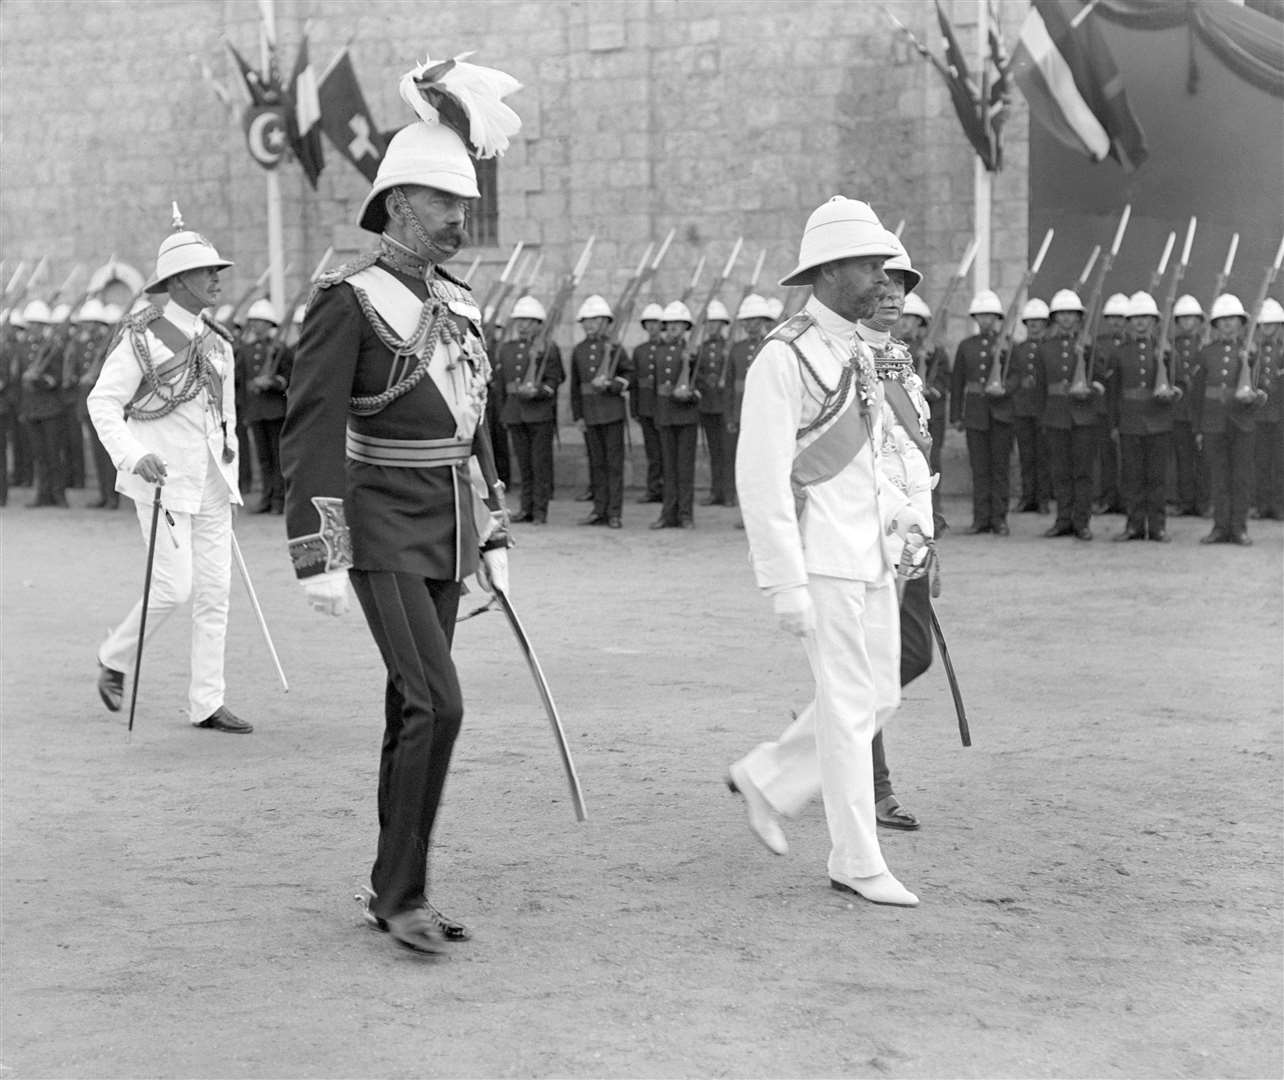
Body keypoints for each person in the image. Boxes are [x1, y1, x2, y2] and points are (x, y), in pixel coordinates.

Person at [280, 60, 517, 955]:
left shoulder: (458, 302)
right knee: (438, 705)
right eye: (444, 201)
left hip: (449, 524)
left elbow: (475, 420)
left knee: (408, 708)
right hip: (378, 523)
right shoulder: (349, 301)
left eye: (467, 201)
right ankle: (403, 894)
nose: (462, 218)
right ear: (397, 203)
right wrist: (321, 550)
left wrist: (493, 530)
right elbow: (309, 435)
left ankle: (393, 887)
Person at [726, 196, 921, 908]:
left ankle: (769, 780)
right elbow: (762, 475)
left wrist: (901, 524)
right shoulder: (786, 355)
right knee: (846, 708)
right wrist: (784, 583)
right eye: (871, 263)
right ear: (832, 269)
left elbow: (871, 458)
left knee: (880, 697)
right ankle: (857, 860)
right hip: (820, 556)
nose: (883, 276)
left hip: (869, 551)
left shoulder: (855, 347)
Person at [87, 214, 250, 734]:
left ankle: (207, 701)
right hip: (161, 480)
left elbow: (224, 416)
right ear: (178, 281)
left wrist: (230, 471)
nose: (217, 278)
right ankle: (114, 657)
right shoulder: (144, 336)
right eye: (205, 271)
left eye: (217, 269)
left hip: (212, 480)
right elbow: (104, 402)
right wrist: (133, 455)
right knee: (173, 588)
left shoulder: (219, 341)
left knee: (214, 593)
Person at [1103, 291, 1176, 542]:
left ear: (1155, 322)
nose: (1141, 323)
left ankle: (1157, 527)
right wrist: (1114, 424)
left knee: (1156, 477)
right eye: (1135, 318)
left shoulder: (1165, 351)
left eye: (1146, 318)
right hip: (1130, 421)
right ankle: (1134, 525)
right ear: (1129, 322)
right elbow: (1112, 394)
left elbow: (1177, 386)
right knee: (1132, 477)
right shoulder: (1119, 353)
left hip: (1158, 420)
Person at [1190, 294, 1263, 545]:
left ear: (1241, 324)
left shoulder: (1251, 353)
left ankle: (1239, 528)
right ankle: (1220, 527)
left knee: (1241, 478)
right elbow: (1197, 394)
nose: (1228, 324)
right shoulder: (1206, 353)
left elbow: (1261, 390)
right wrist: (1198, 427)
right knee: (1219, 477)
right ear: (1215, 325)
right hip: (1214, 424)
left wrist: (1252, 396)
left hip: (1241, 423)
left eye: (1232, 319)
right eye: (1222, 320)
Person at [1036, 288, 1102, 540]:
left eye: (1070, 314)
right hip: (1056, 416)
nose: (1065, 318)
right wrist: (1043, 418)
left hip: (1083, 416)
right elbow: (1041, 387)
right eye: (1061, 314)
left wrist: (1090, 390)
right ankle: (1063, 520)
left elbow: (1099, 378)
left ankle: (1082, 522)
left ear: (1078, 317)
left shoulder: (1088, 345)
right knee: (1060, 472)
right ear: (1054, 318)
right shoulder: (1045, 348)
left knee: (1083, 472)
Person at [493, 294, 562, 523]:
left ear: (539, 325)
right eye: (520, 320)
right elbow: (501, 386)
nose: (523, 325)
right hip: (515, 413)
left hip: (539, 413)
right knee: (524, 465)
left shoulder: (548, 349)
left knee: (539, 464)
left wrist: (540, 391)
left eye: (529, 321)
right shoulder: (507, 349)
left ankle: (540, 510)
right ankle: (526, 508)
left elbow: (555, 380)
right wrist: (504, 412)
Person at [951, 290, 1014, 535]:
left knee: (1000, 469)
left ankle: (999, 518)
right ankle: (981, 518)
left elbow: (1017, 376)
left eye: (990, 316)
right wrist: (956, 415)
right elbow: (958, 383)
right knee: (979, 469)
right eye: (981, 316)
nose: (986, 320)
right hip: (976, 413)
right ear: (975, 319)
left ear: (997, 318)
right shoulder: (967, 346)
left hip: (1001, 413)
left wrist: (1005, 389)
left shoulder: (1008, 344)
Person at [568, 294, 631, 527]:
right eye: (587, 320)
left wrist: (612, 385)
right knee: (597, 464)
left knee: (614, 465)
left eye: (596, 320)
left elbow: (628, 374)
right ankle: (599, 510)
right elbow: (575, 386)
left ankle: (614, 512)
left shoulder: (615, 348)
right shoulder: (579, 350)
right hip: (590, 414)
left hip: (612, 412)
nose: (591, 324)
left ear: (606, 322)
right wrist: (578, 416)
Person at [898, 290, 951, 532]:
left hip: (930, 418)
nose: (905, 322)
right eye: (903, 316)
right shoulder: (894, 349)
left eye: (910, 317)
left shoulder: (936, 351)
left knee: (931, 467)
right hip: (902, 416)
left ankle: (932, 515)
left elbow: (943, 382)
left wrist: (929, 385)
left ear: (920, 321)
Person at [236, 298, 291, 514]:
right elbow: (240, 382)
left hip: (275, 410)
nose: (256, 325)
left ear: (270, 325)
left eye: (261, 321)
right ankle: (266, 498)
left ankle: (279, 499)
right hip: (256, 411)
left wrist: (273, 382)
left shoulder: (280, 350)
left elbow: (289, 377)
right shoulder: (246, 351)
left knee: (278, 457)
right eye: (254, 321)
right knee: (263, 458)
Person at [651, 301, 700, 529]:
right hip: (665, 415)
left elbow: (699, 384)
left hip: (686, 415)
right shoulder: (658, 350)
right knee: (668, 467)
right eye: (669, 324)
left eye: (677, 324)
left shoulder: (691, 352)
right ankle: (668, 513)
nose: (672, 328)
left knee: (685, 468)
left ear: (685, 327)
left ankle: (685, 514)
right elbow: (654, 386)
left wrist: (690, 395)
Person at [726, 293, 774, 514]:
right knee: (745, 466)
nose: (750, 325)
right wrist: (730, 417)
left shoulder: (773, 345)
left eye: (754, 320)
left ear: (764, 321)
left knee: (766, 465)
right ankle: (748, 513)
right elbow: (729, 386)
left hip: (766, 414)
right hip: (742, 414)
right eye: (746, 321)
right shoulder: (737, 349)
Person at [18, 300, 68, 508]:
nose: (34, 327)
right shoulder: (24, 348)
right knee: (39, 455)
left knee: (53, 454)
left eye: (38, 324)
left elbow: (56, 379)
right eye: (32, 324)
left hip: (51, 408)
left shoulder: (54, 348)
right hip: (32, 408)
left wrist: (38, 378)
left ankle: (58, 495)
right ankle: (42, 495)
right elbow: (18, 379)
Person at [71, 299, 119, 508]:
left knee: (108, 454)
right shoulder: (84, 344)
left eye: (90, 322)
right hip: (89, 406)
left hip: (106, 404)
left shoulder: (109, 342)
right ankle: (103, 493)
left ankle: (112, 496)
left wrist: (94, 377)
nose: (86, 326)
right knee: (97, 453)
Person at [1009, 299, 1052, 514]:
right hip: (1023, 407)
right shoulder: (1019, 349)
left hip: (1044, 408)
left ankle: (1043, 498)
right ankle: (1028, 497)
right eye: (1031, 321)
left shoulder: (1049, 347)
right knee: (1026, 455)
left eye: (1039, 321)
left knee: (1043, 455)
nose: (1035, 325)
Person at [1168, 295, 1208, 517]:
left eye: (1191, 318)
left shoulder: (1206, 346)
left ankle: (1203, 503)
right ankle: (1186, 501)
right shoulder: (1170, 348)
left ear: (1199, 321)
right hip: (1180, 410)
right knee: (1183, 459)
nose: (1187, 323)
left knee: (1204, 460)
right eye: (1182, 319)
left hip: (1202, 409)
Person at [694, 299, 735, 507]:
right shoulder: (701, 348)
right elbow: (695, 374)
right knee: (714, 452)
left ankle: (729, 493)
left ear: (722, 325)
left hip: (724, 406)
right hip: (708, 405)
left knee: (728, 452)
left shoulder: (729, 348)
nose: (711, 326)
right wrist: (704, 381)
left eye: (715, 323)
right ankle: (715, 492)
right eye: (708, 323)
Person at [1094, 293, 1130, 515]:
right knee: (1107, 456)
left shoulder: (1132, 346)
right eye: (1112, 317)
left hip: (1126, 406)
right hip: (1104, 406)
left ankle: (1126, 499)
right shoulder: (1099, 344)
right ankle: (1108, 496)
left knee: (1128, 457)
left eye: (1121, 318)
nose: (1116, 322)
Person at [630, 302, 666, 505]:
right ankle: (653, 488)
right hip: (646, 407)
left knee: (666, 452)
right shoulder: (639, 351)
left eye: (656, 323)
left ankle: (668, 488)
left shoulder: (667, 349)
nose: (653, 327)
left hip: (664, 408)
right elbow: (635, 383)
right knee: (653, 452)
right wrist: (634, 408)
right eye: (649, 323)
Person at [1251, 298, 1283, 519]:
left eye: (1273, 324)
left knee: (1281, 462)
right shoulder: (1252, 353)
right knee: (1260, 461)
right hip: (1259, 414)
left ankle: (1280, 505)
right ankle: (1262, 505)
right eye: (1265, 324)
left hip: (1281, 414)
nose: (1269, 328)